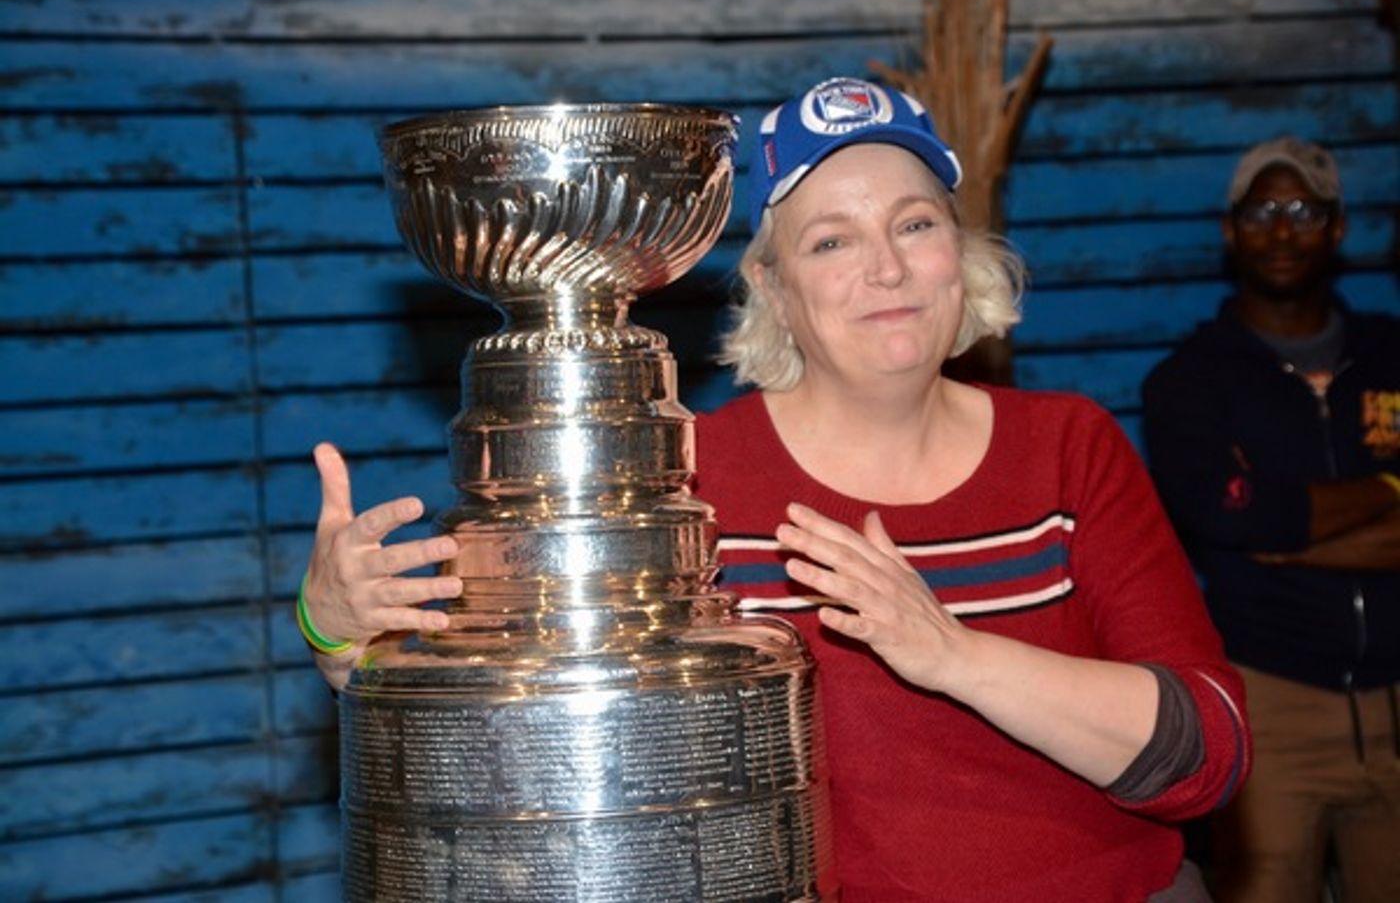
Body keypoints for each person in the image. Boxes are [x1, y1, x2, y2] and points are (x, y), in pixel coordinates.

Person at [300, 76, 1250, 900]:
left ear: (958, 254)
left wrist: (954, 654)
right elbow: (506, 727)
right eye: (831, 242)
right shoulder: (679, 479)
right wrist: (337, 626)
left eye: (915, 224)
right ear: (773, 286)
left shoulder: (1067, 447)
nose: (886, 268)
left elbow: (1208, 751)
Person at [1142, 137, 1400, 903]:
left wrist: (1288, 531)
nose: (1281, 229)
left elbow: (1267, 525)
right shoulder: (1188, 380)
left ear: (1338, 226)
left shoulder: (1393, 354)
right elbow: (1227, 518)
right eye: (1260, 210)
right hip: (1272, 703)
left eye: (1301, 209)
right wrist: (1393, 486)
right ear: (1231, 230)